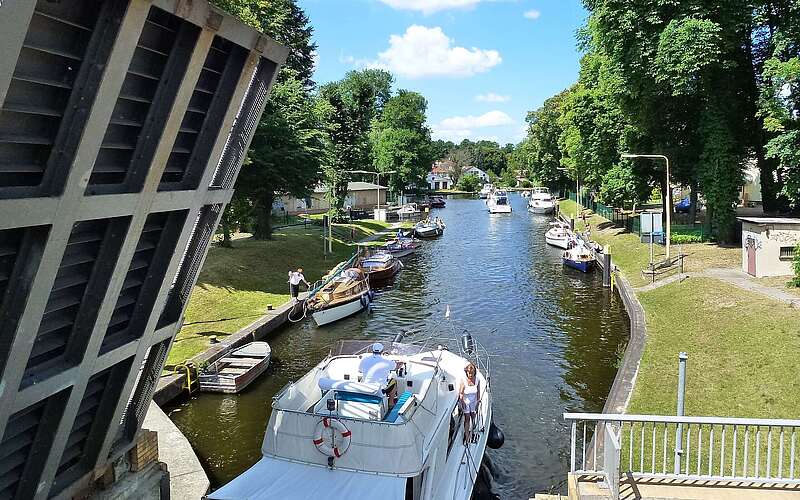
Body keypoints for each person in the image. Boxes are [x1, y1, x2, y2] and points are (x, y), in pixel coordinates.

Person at [458, 362, 481, 446]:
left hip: (473, 402)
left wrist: (478, 401)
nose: (470, 375)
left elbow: (478, 391)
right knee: (467, 418)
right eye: (469, 373)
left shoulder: (477, 380)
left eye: (472, 373)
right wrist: (462, 401)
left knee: (473, 416)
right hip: (466, 402)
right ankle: (467, 437)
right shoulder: (463, 381)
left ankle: (472, 432)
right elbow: (461, 393)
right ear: (466, 372)